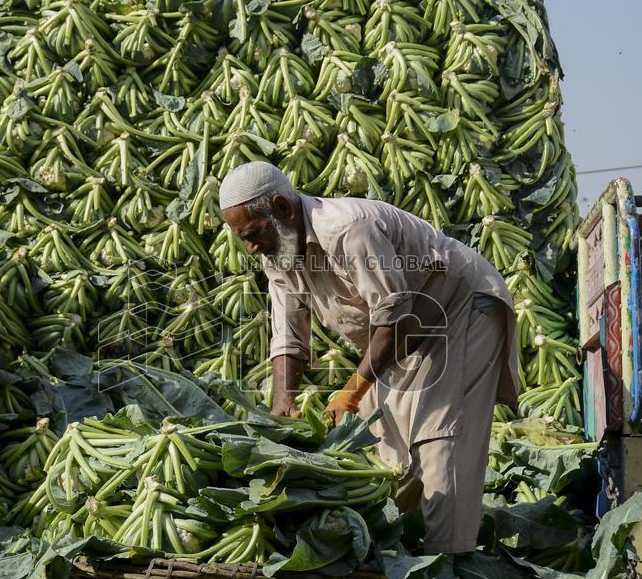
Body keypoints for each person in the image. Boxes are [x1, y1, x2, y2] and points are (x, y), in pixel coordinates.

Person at [219, 161, 519, 554]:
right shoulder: (278, 252)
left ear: (282, 207)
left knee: (439, 435)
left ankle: (450, 561)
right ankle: (405, 552)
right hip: (406, 334)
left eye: (252, 234)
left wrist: (353, 391)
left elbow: (395, 317)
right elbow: (288, 335)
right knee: (388, 449)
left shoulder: (348, 229)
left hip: (458, 308)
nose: (251, 247)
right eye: (242, 239)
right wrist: (282, 403)